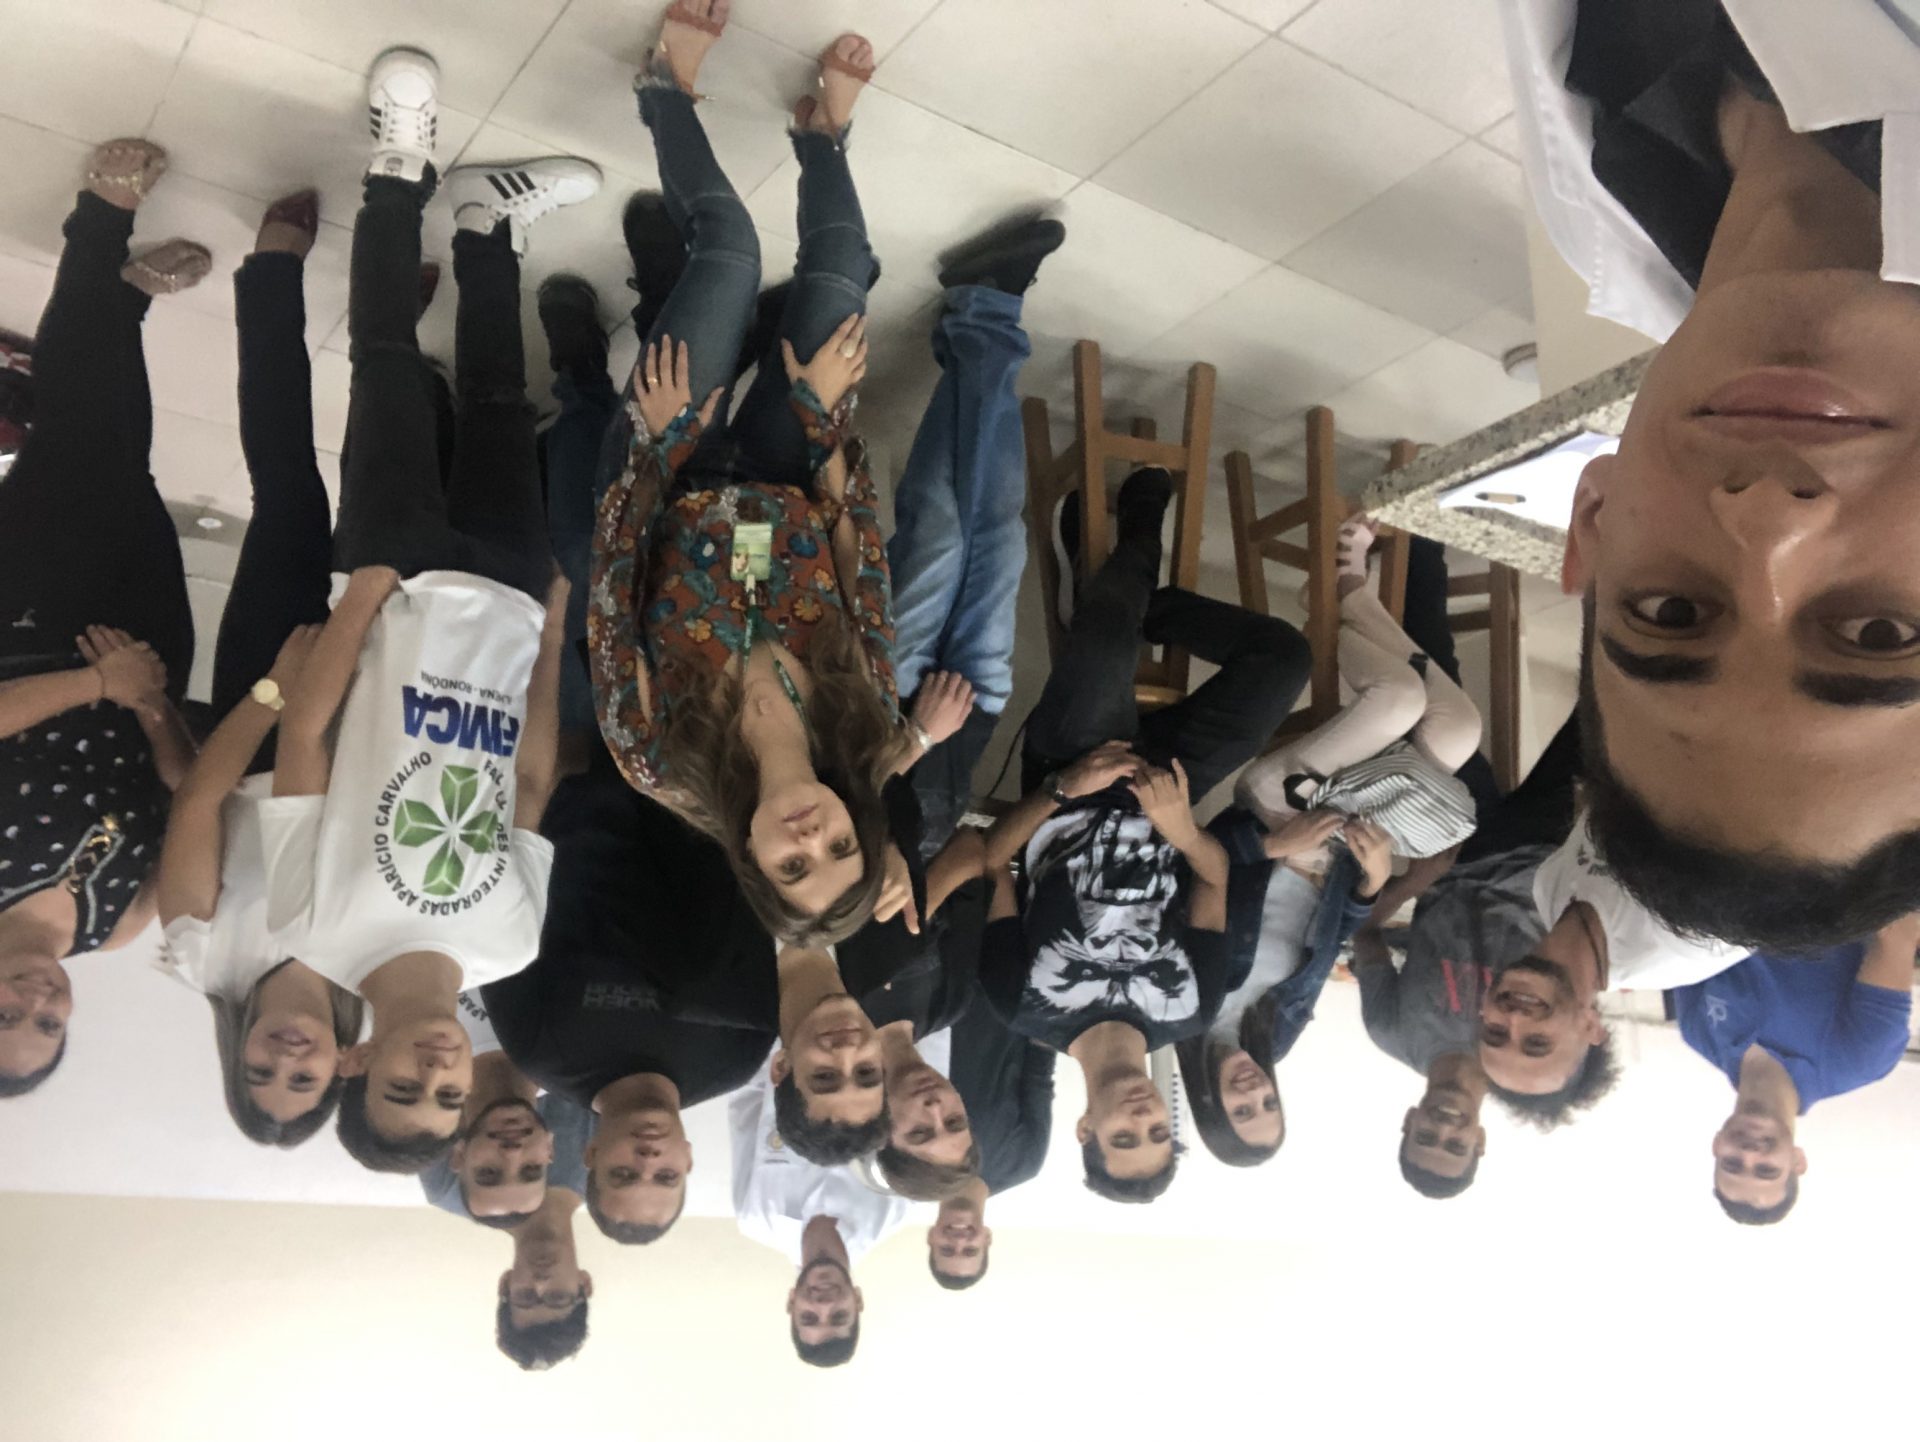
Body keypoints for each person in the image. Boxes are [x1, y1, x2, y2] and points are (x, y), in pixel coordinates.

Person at [1500, 0, 1920, 950]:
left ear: (1594, 519)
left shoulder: (1594, 200)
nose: (1769, 520)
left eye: (1672, 612)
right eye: (1880, 634)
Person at [258, 47, 593, 1173]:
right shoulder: (510, 941)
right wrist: (550, 639)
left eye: (406, 1086)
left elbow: (305, 739)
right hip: (506, 613)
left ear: (358, 1063)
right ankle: (489, 229)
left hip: (392, 592)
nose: (440, 1069)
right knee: (501, 404)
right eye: (449, 1094)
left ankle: (398, 167)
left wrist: (361, 598)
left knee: (390, 367)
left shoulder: (313, 929)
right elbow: (530, 783)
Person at [589, 2, 912, 948]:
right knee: (843, 271)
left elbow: (611, 588)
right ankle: (823, 134)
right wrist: (824, 413)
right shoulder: (869, 728)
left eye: (793, 867)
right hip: (785, 467)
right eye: (841, 848)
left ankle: (665, 88)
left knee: (729, 250)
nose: (811, 837)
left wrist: (657, 444)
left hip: (665, 472)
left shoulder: (658, 758)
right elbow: (861, 563)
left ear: (752, 862)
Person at [977, 465, 1312, 1202]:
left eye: (1124, 1137)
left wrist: (1064, 788)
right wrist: (1179, 828)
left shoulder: (1022, 1005)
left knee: (1103, 644)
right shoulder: (1191, 1007)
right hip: (1171, 789)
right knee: (1284, 661)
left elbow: (992, 864)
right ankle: (1139, 603)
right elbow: (1215, 875)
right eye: (1159, 1131)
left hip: (1070, 770)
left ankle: (1134, 544)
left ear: (1085, 1130)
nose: (1141, 1117)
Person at [150, 193, 369, 1145]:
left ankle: (273, 278)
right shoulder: (372, 975)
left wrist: (278, 686)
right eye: (303, 1078)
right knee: (380, 520)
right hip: (367, 732)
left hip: (263, 710)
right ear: (337, 1065)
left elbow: (201, 802)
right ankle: (387, 338)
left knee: (291, 495)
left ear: (234, 1053)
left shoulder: (203, 959)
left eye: (261, 1072)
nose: (286, 1055)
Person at [0, 138, 210, 1095]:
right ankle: (120, 304)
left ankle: (100, 221)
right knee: (125, 468)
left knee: (70, 438)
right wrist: (152, 704)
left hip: (31, 626)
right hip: (150, 667)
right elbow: (187, 801)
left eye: (8, 1017)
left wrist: (95, 681)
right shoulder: (121, 926)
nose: (34, 1000)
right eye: (47, 1024)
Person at [480, 749, 774, 1244]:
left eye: (623, 1173)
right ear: (688, 1161)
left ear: (591, 1155)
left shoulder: (537, 1050)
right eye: (666, 1176)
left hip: (580, 764)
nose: (648, 1159)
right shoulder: (738, 1058)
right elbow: (756, 904)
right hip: (703, 772)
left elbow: (505, 896)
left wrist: (552, 767)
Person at [889, 211, 1068, 847]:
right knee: (999, 534)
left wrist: (916, 737)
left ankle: (988, 307)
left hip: (889, 711)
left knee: (940, 530)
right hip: (971, 717)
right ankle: (981, 310)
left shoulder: (799, 898)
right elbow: (970, 854)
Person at [1174, 808, 1393, 1168]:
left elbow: (1181, 872)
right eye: (1269, 1103)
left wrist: (1274, 845)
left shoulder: (1177, 1015)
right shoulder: (1276, 1040)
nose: (1255, 1091)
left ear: (1208, 1104)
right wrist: (1373, 884)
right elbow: (1329, 943)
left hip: (1267, 823)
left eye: (1243, 1110)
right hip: (1339, 859)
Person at [1673, 916, 1916, 1225]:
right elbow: (1900, 927)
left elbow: (1678, 928)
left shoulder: (1697, 1031)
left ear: (1717, 1145)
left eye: (1732, 1163)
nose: (1750, 1153)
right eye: (1766, 1170)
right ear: (1797, 1161)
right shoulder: (1860, 1058)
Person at [730, 1052, 921, 1365]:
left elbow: (746, 1102)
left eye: (809, 1317)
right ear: (858, 1300)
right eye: (838, 1315)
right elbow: (916, 1096)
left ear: (791, 1303)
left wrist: (771, 1041)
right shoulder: (894, 1210)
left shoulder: (754, 1217)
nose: (823, 1304)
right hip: (870, 1040)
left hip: (784, 1042)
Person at [420, 992, 593, 1229]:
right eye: (531, 1169)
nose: (513, 1153)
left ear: (459, 1155)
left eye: (489, 1172)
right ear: (549, 1148)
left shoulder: (416, 1048)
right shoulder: (585, 1051)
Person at [494, 1183, 592, 1371]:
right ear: (584, 1284)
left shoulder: (453, 1187)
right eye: (557, 1297)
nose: (540, 1283)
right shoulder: (618, 1179)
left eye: (526, 1296)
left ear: (505, 1283)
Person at [926, 1174, 993, 1292]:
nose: (959, 1240)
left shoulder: (906, 1172)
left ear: (930, 1236)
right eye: (970, 1250)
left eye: (946, 1249)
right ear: (987, 1238)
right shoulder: (1023, 1166)